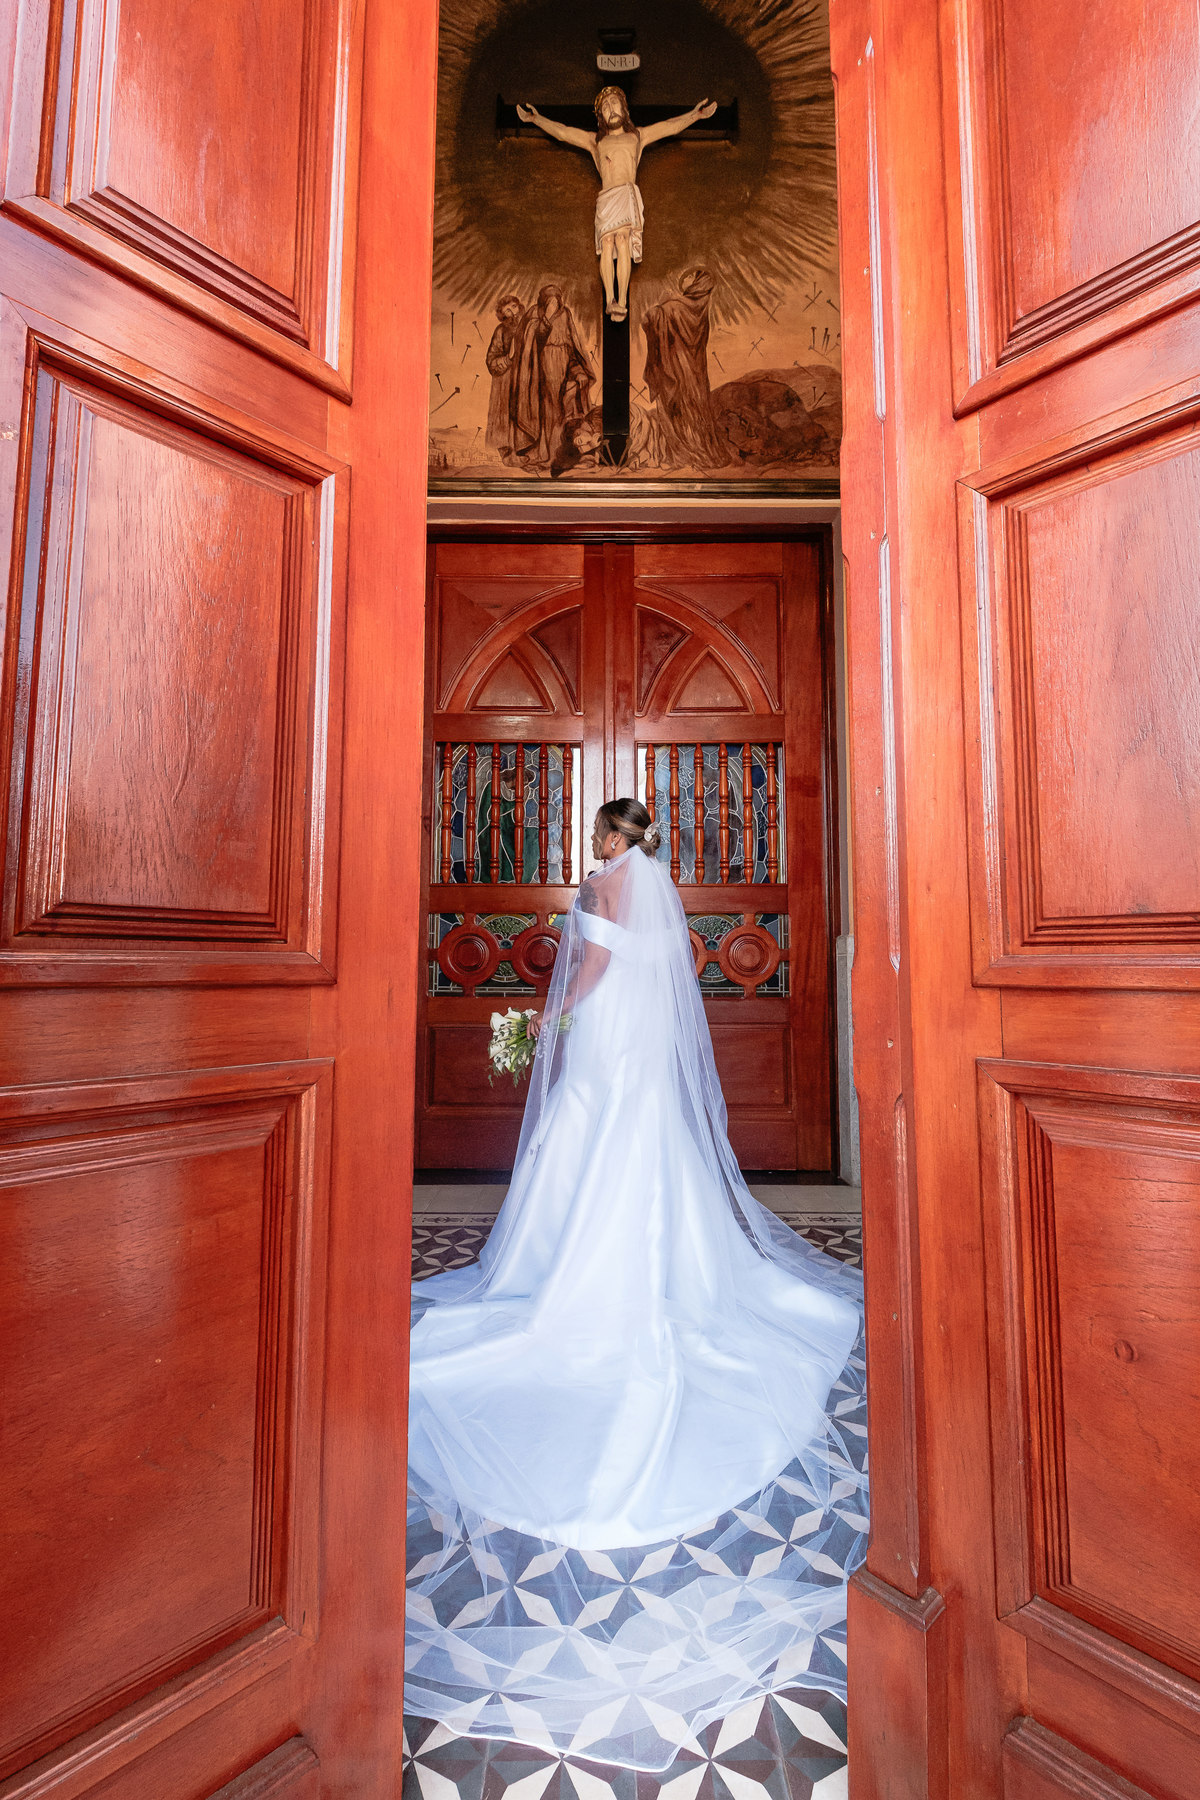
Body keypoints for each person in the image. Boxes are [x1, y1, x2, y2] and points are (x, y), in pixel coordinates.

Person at [407, 799, 868, 1771]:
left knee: (587, 1152)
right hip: (639, 1055)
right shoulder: (657, 887)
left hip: (605, 1043)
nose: (597, 850)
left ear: (616, 838)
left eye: (602, 836)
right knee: (639, 1161)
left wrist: (544, 1028)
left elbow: (593, 966)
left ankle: (575, 1280)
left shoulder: (609, 885)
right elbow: (671, 969)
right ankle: (650, 1271)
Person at [516, 88, 717, 321]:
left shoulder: (637, 136)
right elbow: (563, 133)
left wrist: (695, 115)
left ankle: (621, 301)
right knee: (607, 243)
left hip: (625, 193)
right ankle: (610, 298)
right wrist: (536, 118)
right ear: (601, 116)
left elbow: (668, 127)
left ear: (625, 109)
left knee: (622, 241)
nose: (611, 109)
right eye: (605, 107)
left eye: (614, 103)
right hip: (606, 199)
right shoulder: (596, 141)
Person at [642, 265, 730, 468]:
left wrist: (661, 306)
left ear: (701, 282)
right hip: (691, 368)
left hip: (678, 366)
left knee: (679, 406)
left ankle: (686, 454)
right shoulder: (697, 305)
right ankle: (689, 452)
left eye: (693, 276)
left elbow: (652, 317)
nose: (688, 278)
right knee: (688, 407)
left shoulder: (683, 305)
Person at [512, 284, 593, 468]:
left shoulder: (566, 314)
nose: (554, 303)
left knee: (565, 414)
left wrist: (579, 371)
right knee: (549, 414)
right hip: (541, 374)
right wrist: (547, 317)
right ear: (542, 300)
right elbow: (532, 343)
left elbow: (572, 350)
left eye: (557, 299)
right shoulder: (534, 314)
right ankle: (546, 455)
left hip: (565, 374)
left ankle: (566, 455)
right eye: (550, 299)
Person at [484, 293, 524, 460]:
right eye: (507, 310)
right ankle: (508, 453)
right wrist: (508, 359)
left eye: (514, 306)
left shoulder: (531, 324)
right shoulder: (501, 330)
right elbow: (491, 361)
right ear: (503, 315)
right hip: (506, 381)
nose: (513, 312)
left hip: (527, 379)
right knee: (508, 413)